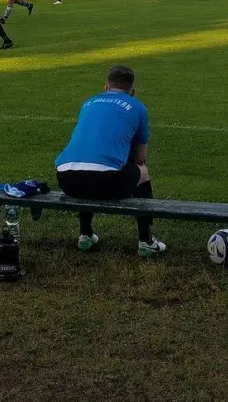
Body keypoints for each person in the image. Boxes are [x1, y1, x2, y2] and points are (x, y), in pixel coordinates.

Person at [53, 65, 166, 258]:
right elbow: (140, 156)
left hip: (65, 178)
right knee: (142, 170)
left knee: (89, 166)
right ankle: (146, 241)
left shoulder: (89, 102)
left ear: (105, 87)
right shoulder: (137, 106)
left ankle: (85, 235)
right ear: (133, 92)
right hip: (104, 181)